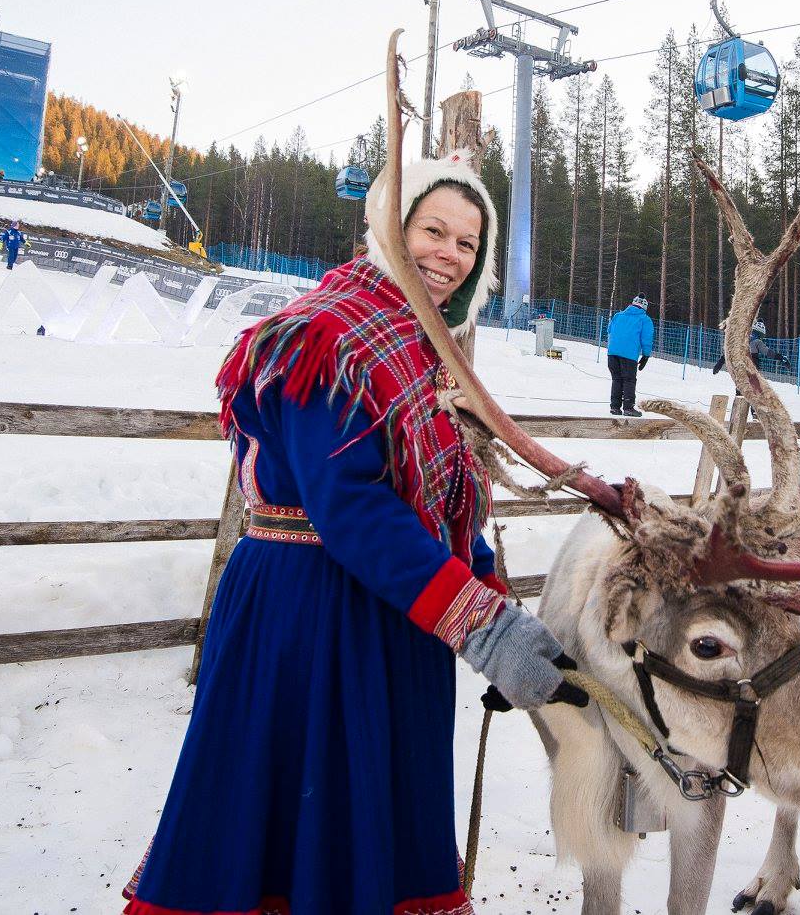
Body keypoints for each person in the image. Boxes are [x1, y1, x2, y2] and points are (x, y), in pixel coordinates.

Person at [124, 149, 584, 915]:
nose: (449, 255)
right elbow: (353, 506)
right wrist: (479, 625)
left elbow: (443, 500)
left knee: (374, 823)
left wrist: (496, 612)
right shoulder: (325, 334)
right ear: (388, 228)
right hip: (308, 621)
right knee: (295, 821)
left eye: (468, 244)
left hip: (399, 619)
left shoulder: (422, 346)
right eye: (433, 230)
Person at [604, 293, 655, 416]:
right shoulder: (644, 319)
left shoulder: (617, 315)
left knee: (616, 379)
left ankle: (615, 407)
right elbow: (647, 339)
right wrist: (646, 355)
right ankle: (628, 407)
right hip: (629, 355)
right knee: (629, 380)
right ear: (644, 308)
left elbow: (609, 330)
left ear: (632, 304)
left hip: (612, 353)